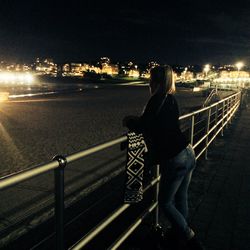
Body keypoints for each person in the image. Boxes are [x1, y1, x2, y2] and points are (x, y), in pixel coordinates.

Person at [123, 65, 204, 250]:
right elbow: (160, 124)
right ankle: (179, 234)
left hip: (176, 158)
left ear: (155, 81)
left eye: (150, 79)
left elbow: (144, 125)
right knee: (181, 197)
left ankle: (190, 237)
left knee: (165, 202)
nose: (149, 82)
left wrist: (128, 121)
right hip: (188, 152)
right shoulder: (171, 100)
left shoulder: (156, 100)